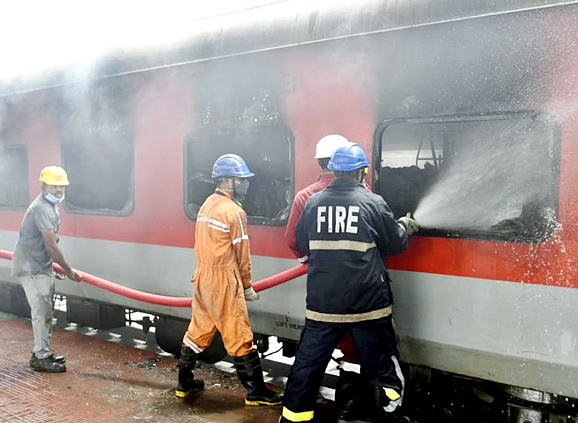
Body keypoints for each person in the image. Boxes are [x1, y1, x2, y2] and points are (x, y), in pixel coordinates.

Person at [279, 142, 420, 423]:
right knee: (382, 360)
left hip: (323, 304)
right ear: (361, 173)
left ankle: (294, 417)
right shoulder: (372, 202)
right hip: (367, 304)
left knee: (308, 364)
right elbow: (394, 243)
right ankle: (392, 410)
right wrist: (404, 226)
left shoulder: (312, 203)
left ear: (334, 171)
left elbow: (302, 243)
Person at [177, 153, 283, 406]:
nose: (245, 184)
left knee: (198, 330)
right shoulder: (233, 212)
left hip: (202, 276)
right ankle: (256, 392)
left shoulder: (206, 206)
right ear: (225, 181)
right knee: (239, 334)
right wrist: (246, 285)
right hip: (224, 280)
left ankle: (184, 383)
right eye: (240, 179)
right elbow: (242, 255)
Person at [284, 134, 370, 418]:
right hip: (358, 288)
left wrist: (312, 259)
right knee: (353, 350)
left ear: (323, 163)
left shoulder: (305, 197)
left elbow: (294, 240)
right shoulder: (364, 194)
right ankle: (348, 409)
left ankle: (297, 414)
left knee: (312, 355)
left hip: (322, 290)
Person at [13, 166, 80, 373]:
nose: (59, 190)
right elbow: (51, 246)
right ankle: (40, 356)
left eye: (61, 186)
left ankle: (43, 351)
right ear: (43, 186)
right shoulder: (43, 209)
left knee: (46, 312)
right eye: (54, 185)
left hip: (39, 265)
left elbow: (45, 245)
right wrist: (68, 270)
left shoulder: (50, 206)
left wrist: (52, 265)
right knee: (41, 313)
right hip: (32, 268)